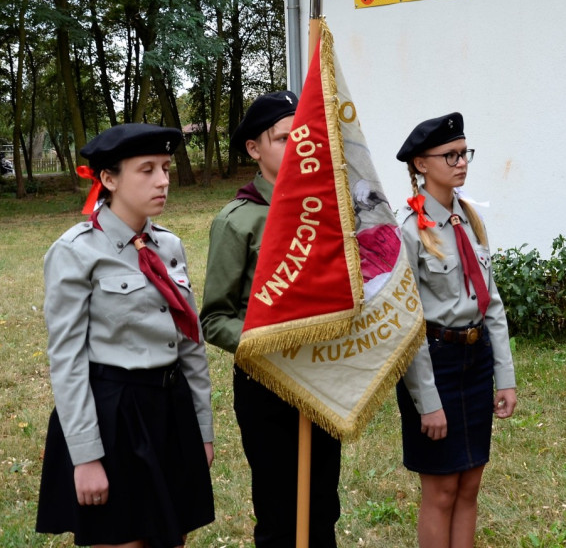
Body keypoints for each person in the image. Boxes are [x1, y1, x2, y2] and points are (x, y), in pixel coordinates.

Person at [36, 123, 215, 548]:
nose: (163, 181)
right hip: (113, 417)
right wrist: (86, 457)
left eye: (167, 168)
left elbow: (190, 344)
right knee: (122, 541)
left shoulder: (168, 247)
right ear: (109, 179)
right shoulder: (76, 252)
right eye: (147, 169)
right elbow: (67, 359)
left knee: (173, 537)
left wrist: (201, 429)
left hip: (169, 412)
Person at [199, 90, 342, 548]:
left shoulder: (325, 212)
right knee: (281, 515)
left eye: (303, 137)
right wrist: (270, 343)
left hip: (320, 379)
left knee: (323, 509)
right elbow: (215, 316)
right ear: (253, 149)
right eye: (284, 138)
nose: (298, 147)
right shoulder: (237, 221)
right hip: (267, 384)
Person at [395, 112, 517, 548]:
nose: (461, 162)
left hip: (475, 360)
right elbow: (404, 325)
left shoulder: (469, 219)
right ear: (421, 165)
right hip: (436, 363)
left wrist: (505, 376)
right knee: (442, 490)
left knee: (469, 485)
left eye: (465, 153)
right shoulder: (409, 231)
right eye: (450, 155)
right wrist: (427, 401)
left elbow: (493, 306)